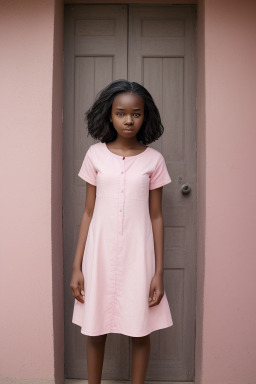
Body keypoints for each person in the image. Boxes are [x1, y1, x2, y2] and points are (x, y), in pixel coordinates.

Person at [70, 79, 173, 383]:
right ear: (109, 116)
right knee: (95, 328)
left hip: (138, 256)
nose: (129, 120)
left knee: (140, 329)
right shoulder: (95, 155)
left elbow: (156, 217)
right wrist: (77, 265)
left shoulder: (154, 160)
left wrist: (159, 271)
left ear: (146, 117)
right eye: (121, 113)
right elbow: (88, 212)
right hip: (98, 254)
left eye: (136, 114)